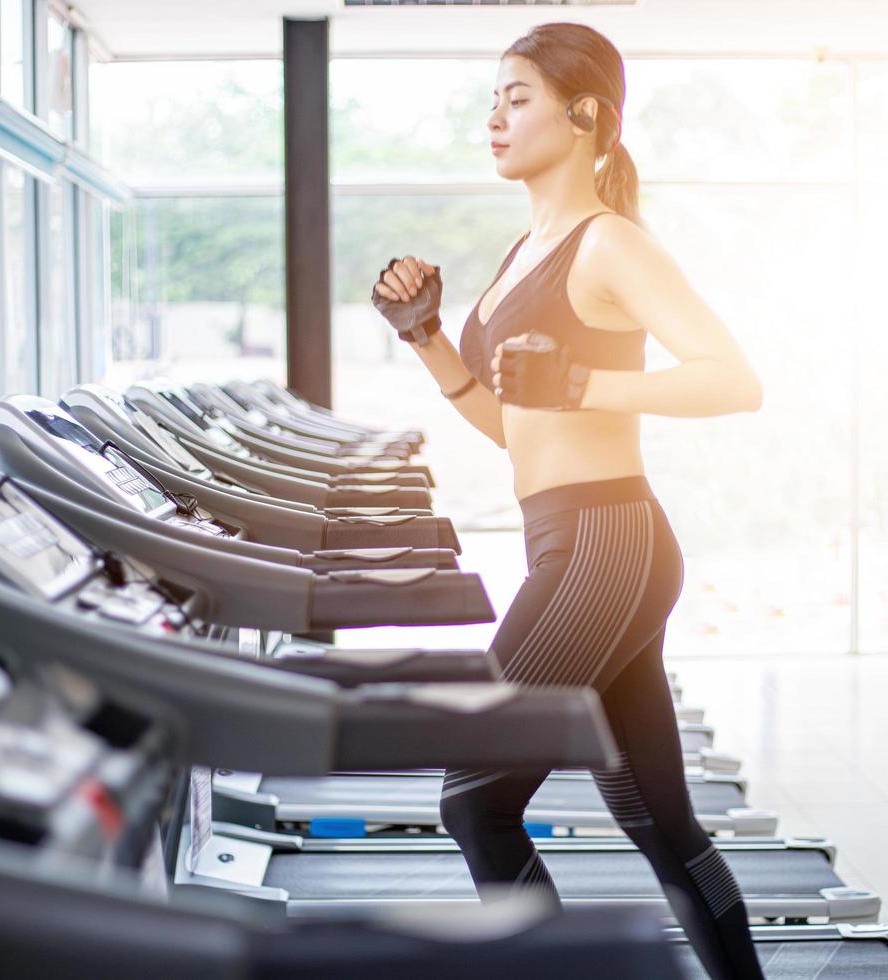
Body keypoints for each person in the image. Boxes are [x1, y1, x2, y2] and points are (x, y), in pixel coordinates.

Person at [370, 22, 764, 980]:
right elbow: (516, 429)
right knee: (659, 820)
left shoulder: (609, 244)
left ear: (584, 114)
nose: (494, 118)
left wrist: (586, 385)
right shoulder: (524, 248)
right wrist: (429, 340)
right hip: (577, 541)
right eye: (492, 100)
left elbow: (732, 379)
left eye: (517, 97)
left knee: (474, 798)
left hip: (606, 541)